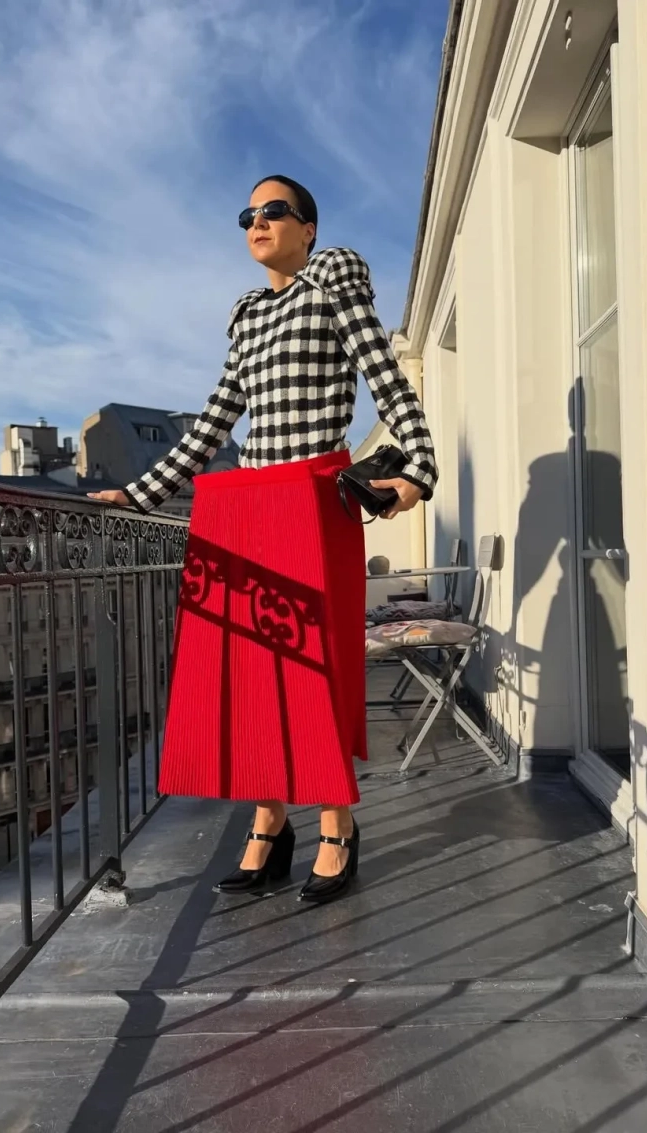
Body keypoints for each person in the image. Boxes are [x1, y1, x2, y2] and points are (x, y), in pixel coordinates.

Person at [89, 175, 437, 905]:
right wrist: (142, 492)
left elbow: (386, 379)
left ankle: (337, 825)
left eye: (275, 210)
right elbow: (215, 420)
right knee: (252, 672)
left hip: (312, 497)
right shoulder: (247, 316)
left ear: (308, 229)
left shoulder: (332, 278)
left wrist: (419, 469)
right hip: (248, 504)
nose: (258, 220)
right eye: (248, 213)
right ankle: (269, 823)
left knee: (315, 669)